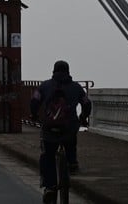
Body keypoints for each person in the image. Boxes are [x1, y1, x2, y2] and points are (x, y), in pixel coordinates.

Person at [29, 60, 92, 203]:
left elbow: (34, 101)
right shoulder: (76, 87)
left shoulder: (45, 86)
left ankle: (50, 187)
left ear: (53, 71)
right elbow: (87, 103)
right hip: (69, 128)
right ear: (68, 72)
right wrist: (83, 117)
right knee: (71, 139)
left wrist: (33, 115)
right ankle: (72, 162)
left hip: (49, 128)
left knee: (48, 155)